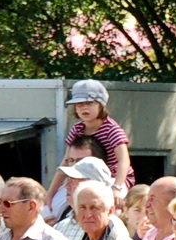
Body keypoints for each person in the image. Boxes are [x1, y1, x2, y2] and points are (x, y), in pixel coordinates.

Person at [42, 80, 133, 211]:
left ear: (101, 105)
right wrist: (50, 194)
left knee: (110, 206)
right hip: (80, 177)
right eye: (79, 104)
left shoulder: (112, 130)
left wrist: (117, 187)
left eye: (89, 103)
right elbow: (65, 162)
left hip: (112, 178)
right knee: (49, 208)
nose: (84, 108)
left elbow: (124, 160)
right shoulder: (76, 129)